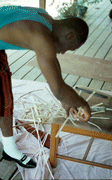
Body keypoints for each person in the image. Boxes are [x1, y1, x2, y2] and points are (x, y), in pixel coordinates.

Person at [0, 5, 91, 168]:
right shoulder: (41, 37)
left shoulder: (45, 17)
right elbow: (58, 89)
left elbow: (52, 61)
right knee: (4, 99)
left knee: (4, 96)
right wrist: (82, 104)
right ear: (70, 36)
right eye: (69, 49)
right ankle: (9, 149)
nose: (63, 53)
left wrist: (66, 99)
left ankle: (9, 148)